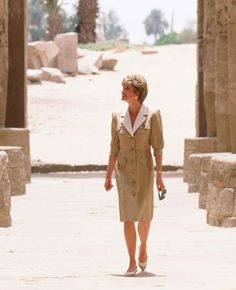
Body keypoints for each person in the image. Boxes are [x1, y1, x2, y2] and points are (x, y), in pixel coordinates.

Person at [104, 74, 165, 277]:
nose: (122, 91)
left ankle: (143, 247)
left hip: (145, 174)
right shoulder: (116, 116)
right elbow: (114, 148)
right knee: (128, 218)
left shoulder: (153, 115)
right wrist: (108, 175)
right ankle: (131, 262)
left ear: (137, 93)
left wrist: (159, 176)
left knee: (144, 218)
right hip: (123, 173)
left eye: (126, 89)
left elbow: (157, 148)